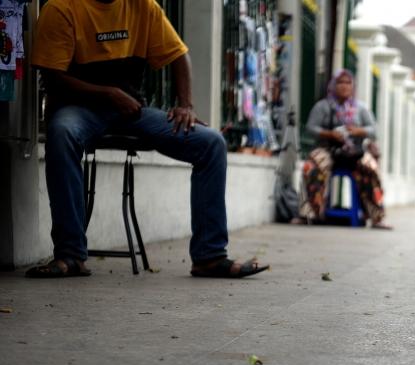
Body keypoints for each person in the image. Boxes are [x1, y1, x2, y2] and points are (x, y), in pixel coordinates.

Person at [27, 0, 268, 279]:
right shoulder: (62, 8)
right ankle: (70, 255)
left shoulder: (144, 6)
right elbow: (52, 77)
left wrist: (186, 105)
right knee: (61, 133)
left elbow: (179, 55)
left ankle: (209, 256)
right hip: (78, 107)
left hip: (131, 109)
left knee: (211, 143)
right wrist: (108, 94)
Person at [300, 69, 390, 229]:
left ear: (352, 86)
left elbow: (374, 129)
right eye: (340, 82)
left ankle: (376, 217)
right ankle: (310, 214)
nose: (344, 86)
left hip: (354, 152)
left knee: (371, 168)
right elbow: (310, 128)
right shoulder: (323, 106)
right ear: (333, 85)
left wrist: (359, 131)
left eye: (348, 82)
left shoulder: (361, 108)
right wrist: (329, 134)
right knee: (311, 167)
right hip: (328, 150)